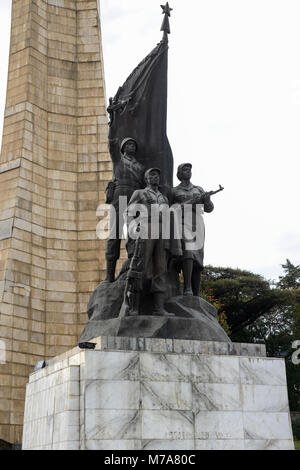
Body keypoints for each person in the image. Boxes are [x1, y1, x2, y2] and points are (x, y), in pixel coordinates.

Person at [124, 168, 173, 316]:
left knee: (161, 268)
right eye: (151, 175)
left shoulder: (164, 197)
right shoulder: (140, 193)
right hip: (146, 228)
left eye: (157, 175)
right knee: (139, 267)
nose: (155, 177)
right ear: (146, 179)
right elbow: (128, 213)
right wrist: (134, 228)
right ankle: (134, 307)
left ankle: (158, 308)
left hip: (162, 232)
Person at [105, 138, 145, 282]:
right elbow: (112, 146)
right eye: (128, 144)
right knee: (114, 233)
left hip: (135, 197)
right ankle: (109, 275)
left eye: (134, 145)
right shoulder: (118, 160)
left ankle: (131, 266)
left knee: (134, 232)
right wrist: (112, 125)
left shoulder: (141, 167)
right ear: (123, 148)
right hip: (120, 195)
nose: (131, 146)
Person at [172, 163, 214, 296]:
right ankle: (187, 288)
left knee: (198, 258)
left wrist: (206, 200)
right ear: (179, 173)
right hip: (183, 223)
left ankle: (196, 293)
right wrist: (184, 205)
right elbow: (169, 209)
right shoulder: (174, 191)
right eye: (185, 169)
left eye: (189, 170)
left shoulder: (198, 189)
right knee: (188, 252)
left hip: (198, 224)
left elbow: (209, 209)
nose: (188, 171)